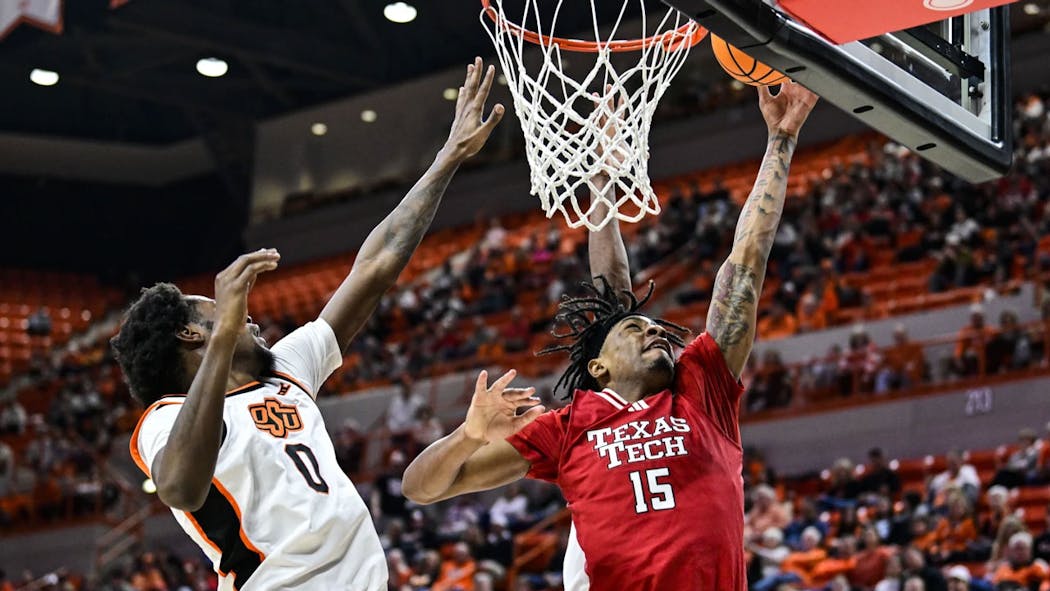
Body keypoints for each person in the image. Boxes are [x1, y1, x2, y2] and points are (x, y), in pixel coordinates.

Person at [402, 83, 819, 590]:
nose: (655, 332)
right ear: (598, 368)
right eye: (636, 328)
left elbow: (745, 267)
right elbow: (420, 487)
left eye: (656, 328)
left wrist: (781, 139)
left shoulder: (700, 389)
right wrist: (466, 435)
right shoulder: (566, 426)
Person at [114, 58, 505, 591]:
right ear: (193, 334)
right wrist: (227, 334)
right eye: (219, 314)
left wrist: (446, 160)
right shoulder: (166, 419)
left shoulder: (285, 370)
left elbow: (375, 267)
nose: (247, 319)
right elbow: (180, 488)